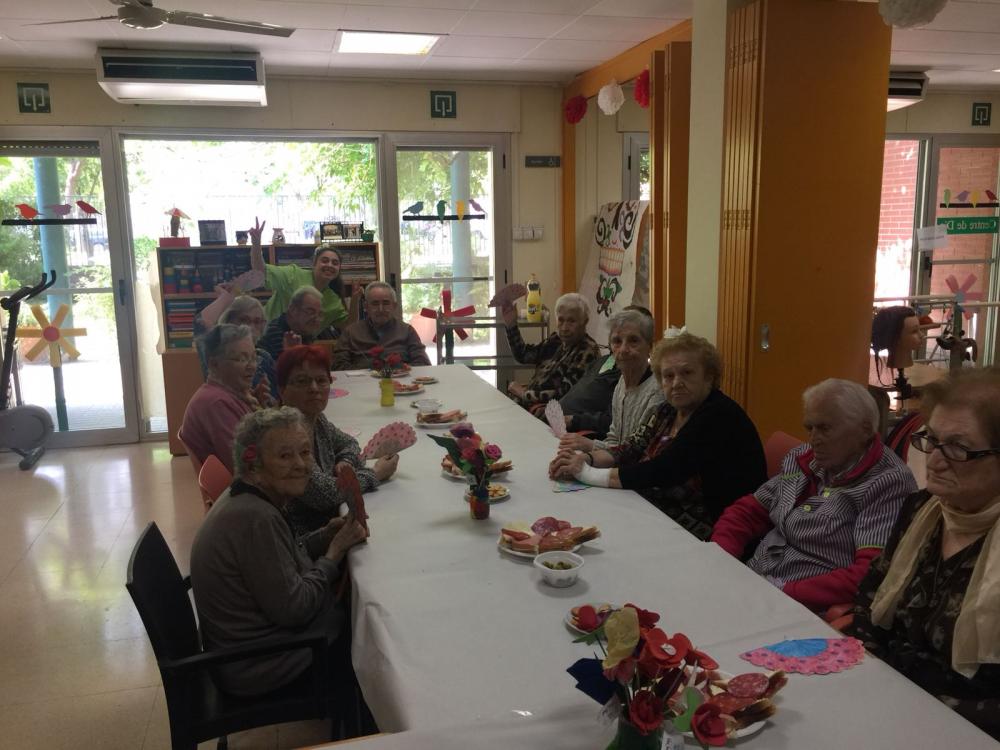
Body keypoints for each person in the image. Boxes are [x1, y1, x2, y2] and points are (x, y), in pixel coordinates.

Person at [847, 369, 1000, 740]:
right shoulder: (921, 508)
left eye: (959, 448)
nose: (935, 461)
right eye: (932, 439)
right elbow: (868, 601)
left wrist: (917, 709)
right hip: (884, 698)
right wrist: (868, 674)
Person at [190, 407, 368, 697]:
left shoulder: (247, 497)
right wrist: (334, 553)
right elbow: (296, 609)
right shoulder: (255, 518)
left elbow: (279, 560)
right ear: (253, 465)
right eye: (285, 456)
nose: (301, 465)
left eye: (305, 452)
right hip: (260, 666)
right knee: (365, 628)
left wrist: (324, 537)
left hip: (249, 648)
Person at [712, 378, 917, 612]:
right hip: (752, 582)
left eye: (825, 429)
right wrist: (721, 559)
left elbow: (869, 573)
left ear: (864, 430)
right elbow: (747, 512)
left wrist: (783, 592)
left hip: (802, 607)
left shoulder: (888, 482)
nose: (813, 440)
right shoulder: (805, 458)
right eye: (810, 428)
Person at [550, 332, 765, 540]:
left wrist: (587, 474)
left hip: (709, 531)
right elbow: (631, 448)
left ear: (709, 376)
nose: (676, 383)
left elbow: (663, 470)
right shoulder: (668, 410)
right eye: (668, 376)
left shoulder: (718, 415)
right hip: (656, 511)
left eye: (687, 373)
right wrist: (587, 459)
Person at [277, 345, 399, 537]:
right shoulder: (285, 434)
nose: (314, 389)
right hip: (303, 540)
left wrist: (345, 462)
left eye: (321, 380)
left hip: (328, 525)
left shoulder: (315, 419)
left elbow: (349, 443)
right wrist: (376, 473)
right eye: (302, 381)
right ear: (282, 390)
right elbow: (326, 495)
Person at [558, 308, 663, 451]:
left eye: (633, 340)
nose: (623, 350)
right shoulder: (621, 384)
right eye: (617, 341)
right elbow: (613, 439)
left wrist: (590, 447)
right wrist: (587, 455)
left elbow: (637, 452)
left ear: (650, 346)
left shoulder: (657, 391)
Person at [249, 216, 361, 334]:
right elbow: (260, 271)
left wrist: (355, 300)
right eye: (324, 261)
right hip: (266, 336)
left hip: (301, 343)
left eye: (335, 263)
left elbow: (349, 326)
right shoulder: (293, 275)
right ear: (314, 264)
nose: (329, 265)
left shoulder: (333, 301)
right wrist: (256, 244)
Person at [179, 324, 264, 473]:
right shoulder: (216, 403)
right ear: (214, 364)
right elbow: (243, 465)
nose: (252, 366)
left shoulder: (233, 394)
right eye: (241, 359)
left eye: (253, 358)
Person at [502, 292, 600, 409]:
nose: (564, 328)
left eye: (571, 321)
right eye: (561, 320)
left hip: (550, 412)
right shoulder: (556, 340)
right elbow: (524, 355)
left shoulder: (588, 351)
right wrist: (511, 324)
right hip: (529, 404)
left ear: (585, 322)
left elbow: (565, 394)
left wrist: (524, 394)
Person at [330, 282, 431, 371]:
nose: (381, 309)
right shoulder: (351, 332)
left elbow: (423, 363)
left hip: (400, 382)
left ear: (394, 306)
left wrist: (401, 370)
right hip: (361, 382)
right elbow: (338, 366)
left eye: (386, 303)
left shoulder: (407, 331)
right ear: (366, 307)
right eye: (375, 304)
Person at [217, 295, 278, 400]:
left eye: (257, 321)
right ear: (228, 321)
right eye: (244, 320)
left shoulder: (264, 357)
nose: (251, 327)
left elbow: (276, 397)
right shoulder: (222, 358)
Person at [258, 285, 326, 360]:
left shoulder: (304, 332)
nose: (316, 319)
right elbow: (285, 367)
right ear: (293, 310)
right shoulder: (275, 334)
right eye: (310, 312)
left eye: (319, 314)